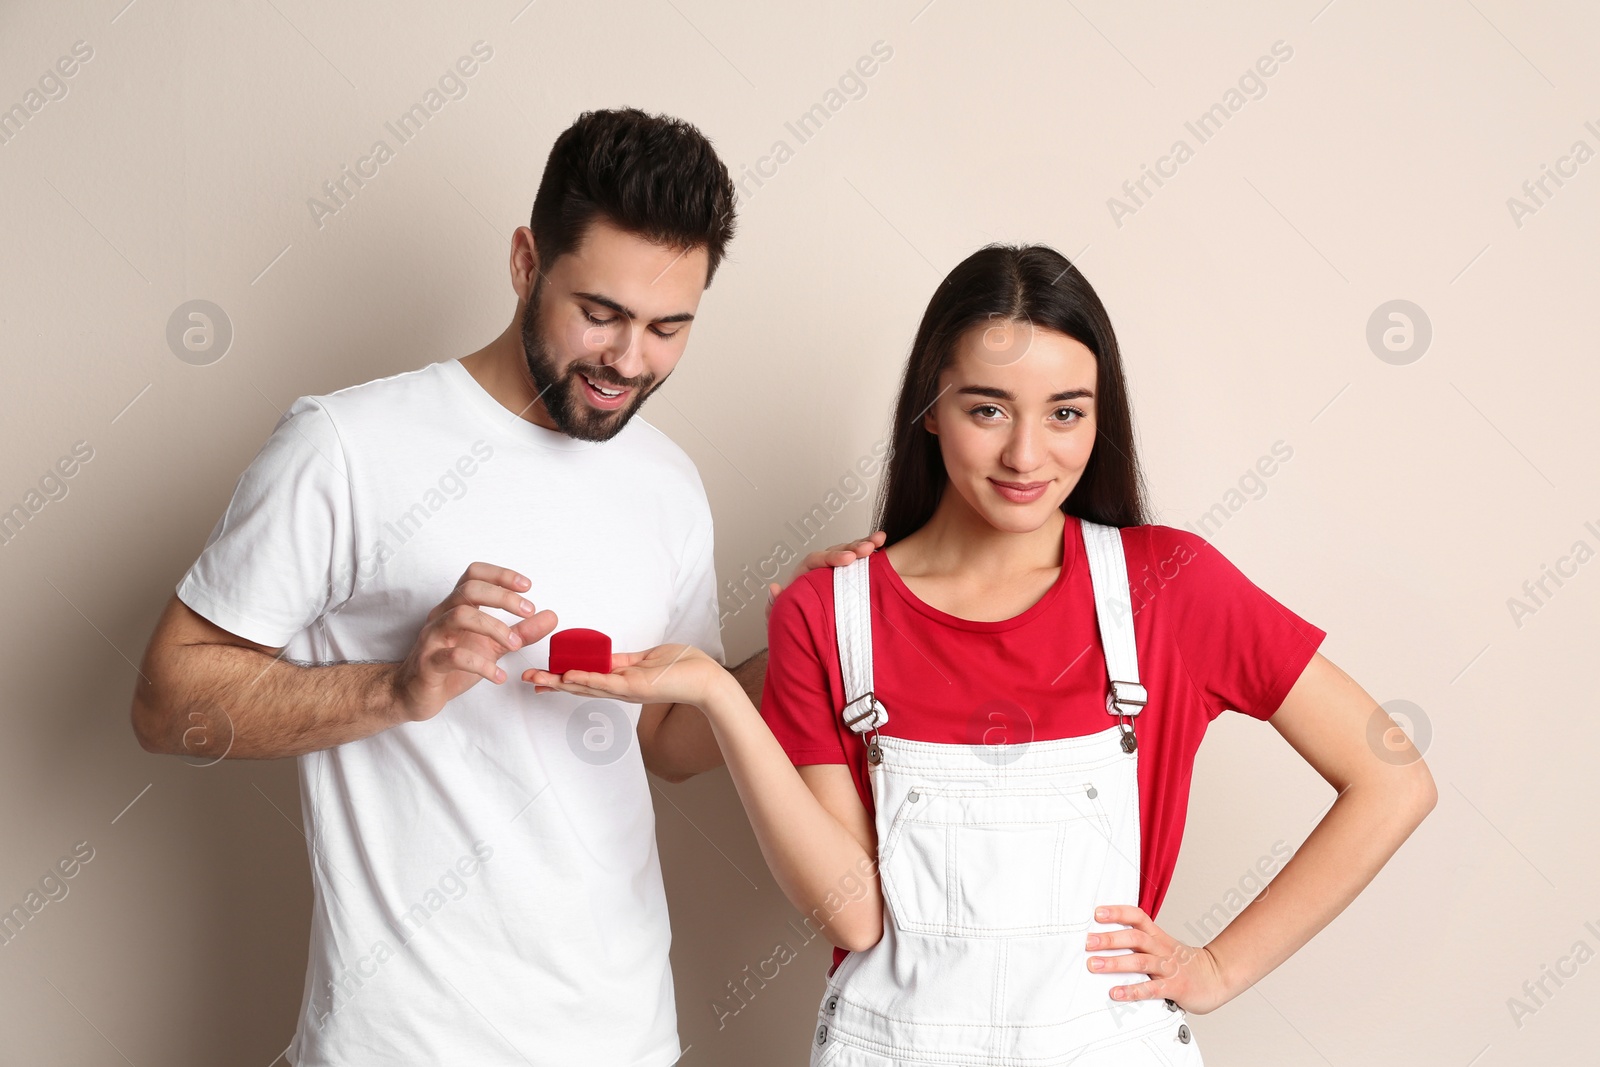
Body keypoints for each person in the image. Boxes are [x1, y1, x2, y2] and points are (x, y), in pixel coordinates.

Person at [529, 243, 1438, 1065]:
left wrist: (1217, 967)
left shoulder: (1170, 586)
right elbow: (852, 912)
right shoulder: (825, 613)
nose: (1026, 453)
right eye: (988, 408)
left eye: (1067, 412)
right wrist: (726, 700)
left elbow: (1392, 778)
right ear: (930, 408)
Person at [129, 107, 867, 1066]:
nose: (629, 360)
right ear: (526, 262)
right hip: (402, 1043)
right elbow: (164, 701)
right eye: (598, 313)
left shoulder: (670, 484)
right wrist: (396, 685)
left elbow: (668, 742)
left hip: (624, 1038)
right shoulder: (347, 446)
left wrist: (813, 632)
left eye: (668, 327)